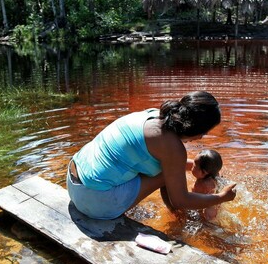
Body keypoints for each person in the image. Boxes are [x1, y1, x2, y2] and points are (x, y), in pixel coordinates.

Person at [67, 91, 237, 220]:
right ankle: (180, 219)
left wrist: (203, 168)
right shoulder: (173, 148)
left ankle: (172, 215)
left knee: (164, 171)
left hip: (73, 181)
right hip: (92, 201)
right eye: (205, 132)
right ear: (199, 131)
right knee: (166, 176)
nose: (202, 137)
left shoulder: (156, 115)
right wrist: (221, 198)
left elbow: (172, 163)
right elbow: (181, 199)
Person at [189, 149, 223, 221]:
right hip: (213, 206)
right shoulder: (214, 175)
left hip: (207, 212)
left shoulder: (202, 184)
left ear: (204, 172)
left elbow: (193, 200)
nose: (192, 166)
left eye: (194, 166)